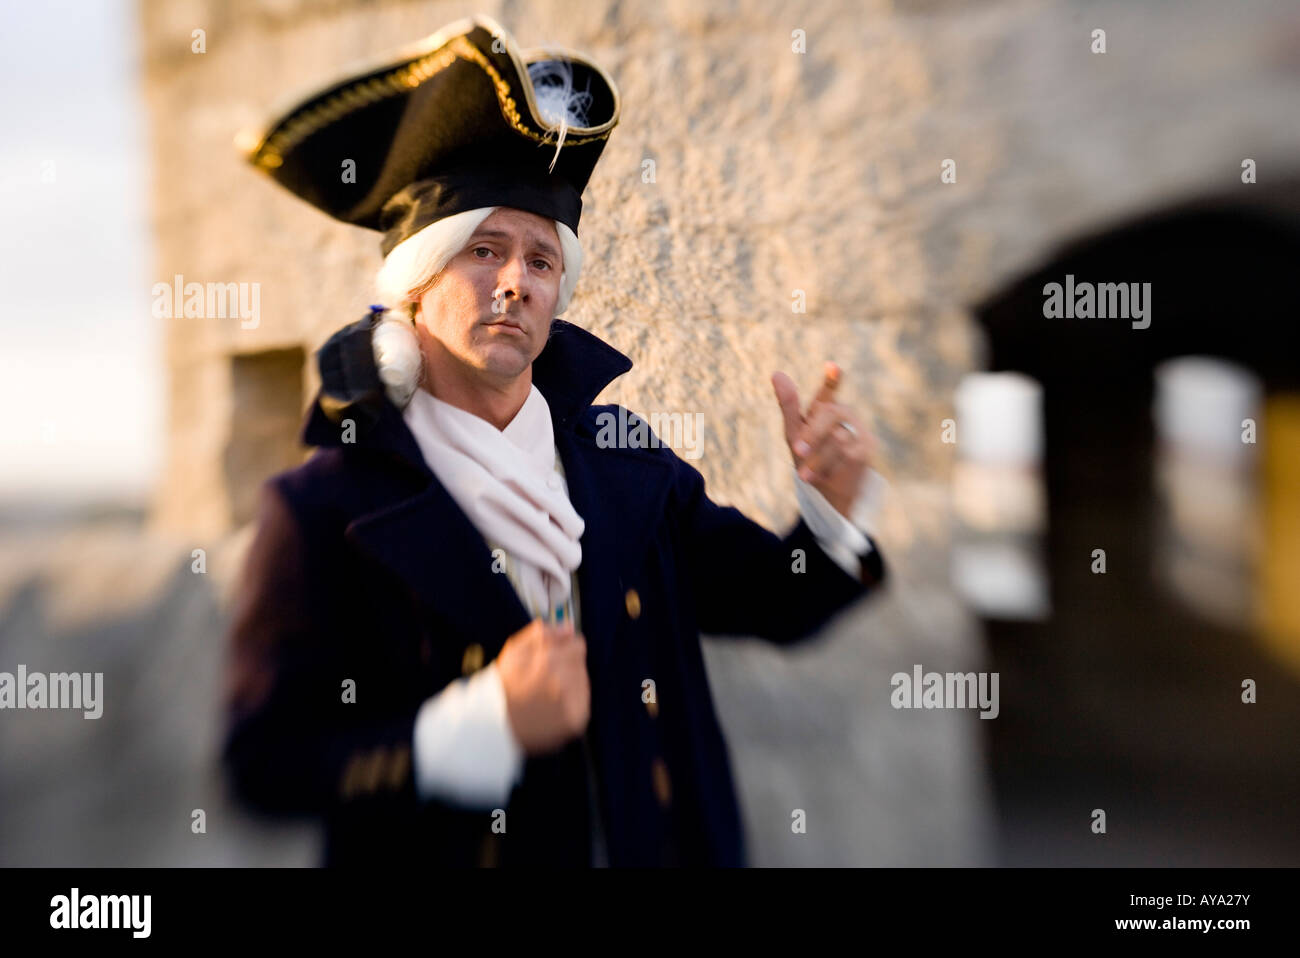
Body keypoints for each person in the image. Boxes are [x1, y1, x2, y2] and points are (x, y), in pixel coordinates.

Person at [220, 14, 888, 867]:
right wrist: (468, 731)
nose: (516, 283)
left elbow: (772, 601)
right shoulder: (321, 509)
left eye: (541, 261)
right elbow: (265, 762)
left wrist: (829, 516)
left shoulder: (625, 460)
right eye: (483, 249)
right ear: (415, 289)